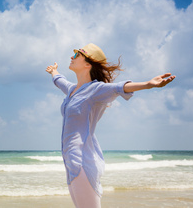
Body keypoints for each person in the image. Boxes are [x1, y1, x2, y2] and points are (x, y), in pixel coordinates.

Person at [46, 43, 175, 208]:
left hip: (82, 163)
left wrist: (148, 84)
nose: (72, 57)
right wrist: (53, 71)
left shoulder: (96, 89)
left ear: (88, 64)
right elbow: (59, 80)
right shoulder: (72, 89)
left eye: (77, 54)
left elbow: (119, 87)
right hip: (70, 163)